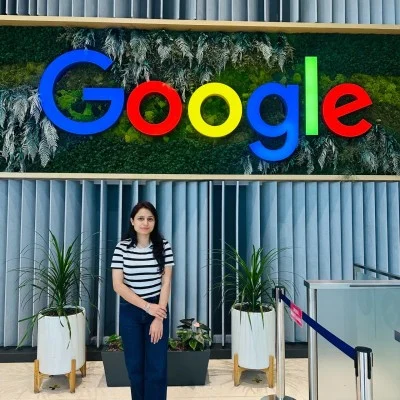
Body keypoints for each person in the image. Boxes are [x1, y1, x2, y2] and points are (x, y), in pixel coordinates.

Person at [111, 201, 174, 400]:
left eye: (150, 219)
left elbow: (166, 283)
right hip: (131, 311)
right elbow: (118, 285)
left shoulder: (163, 246)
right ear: (132, 221)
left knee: (157, 367)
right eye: (140, 218)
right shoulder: (121, 248)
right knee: (135, 367)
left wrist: (158, 317)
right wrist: (147, 307)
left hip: (158, 309)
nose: (145, 223)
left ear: (155, 222)